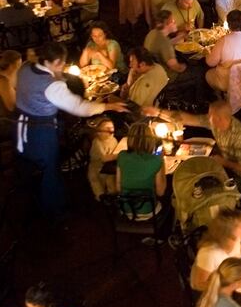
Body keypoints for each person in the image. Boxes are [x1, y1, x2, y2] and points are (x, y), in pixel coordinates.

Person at [15, 42, 126, 218]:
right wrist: (108, 106)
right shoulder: (52, 86)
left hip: (21, 126)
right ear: (58, 62)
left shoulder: (26, 67)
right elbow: (80, 107)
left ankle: (29, 194)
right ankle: (54, 210)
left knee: (29, 164)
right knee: (49, 169)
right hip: (41, 133)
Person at [146, 101, 241, 194]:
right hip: (229, 165)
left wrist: (224, 162)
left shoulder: (240, 136)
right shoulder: (216, 122)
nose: (207, 117)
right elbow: (185, 118)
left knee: (209, 192)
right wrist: (157, 112)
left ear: (220, 119)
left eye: (210, 115)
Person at [190, 209, 241, 291]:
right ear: (226, 232)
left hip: (234, 279)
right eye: (239, 226)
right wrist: (227, 286)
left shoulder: (235, 238)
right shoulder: (209, 254)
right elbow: (199, 284)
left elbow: (240, 246)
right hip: (215, 290)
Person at [115, 121, 166, 218]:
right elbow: (161, 192)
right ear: (151, 139)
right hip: (148, 211)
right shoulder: (156, 160)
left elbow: (118, 188)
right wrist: (162, 162)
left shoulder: (121, 156)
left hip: (126, 209)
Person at [144, 10, 187, 81]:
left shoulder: (152, 33)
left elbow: (162, 46)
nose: (175, 23)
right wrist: (186, 66)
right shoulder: (165, 43)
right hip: (166, 76)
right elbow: (176, 67)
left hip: (152, 71)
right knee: (197, 72)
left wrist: (180, 37)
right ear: (166, 24)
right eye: (173, 21)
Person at [87, 116, 117, 200]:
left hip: (108, 167)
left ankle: (112, 195)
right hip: (98, 168)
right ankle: (101, 197)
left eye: (112, 128)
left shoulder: (113, 139)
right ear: (99, 132)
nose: (111, 130)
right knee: (97, 185)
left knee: (111, 182)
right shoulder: (97, 143)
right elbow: (104, 158)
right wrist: (118, 155)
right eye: (107, 128)